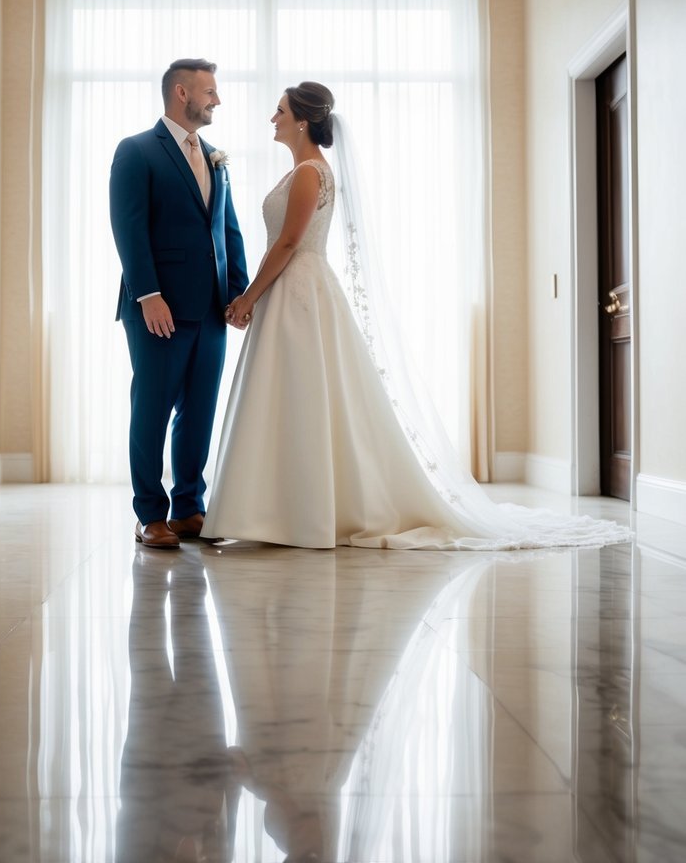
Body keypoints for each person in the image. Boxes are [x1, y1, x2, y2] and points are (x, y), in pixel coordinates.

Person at [202, 82, 631, 550]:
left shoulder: (309, 173)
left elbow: (288, 243)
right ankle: (278, 509)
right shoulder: (304, 170)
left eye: (279, 110)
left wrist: (247, 298)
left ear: (303, 119)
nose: (273, 118)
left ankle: (299, 512)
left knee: (304, 395)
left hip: (299, 290)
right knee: (290, 396)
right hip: (292, 290)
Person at [110, 59, 248, 550]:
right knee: (151, 409)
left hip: (210, 309)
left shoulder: (214, 157)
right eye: (209, 91)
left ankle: (189, 506)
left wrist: (239, 293)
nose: (217, 100)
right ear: (181, 92)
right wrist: (148, 295)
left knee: (199, 411)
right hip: (158, 309)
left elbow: (227, 231)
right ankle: (150, 514)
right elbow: (129, 228)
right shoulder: (137, 151)